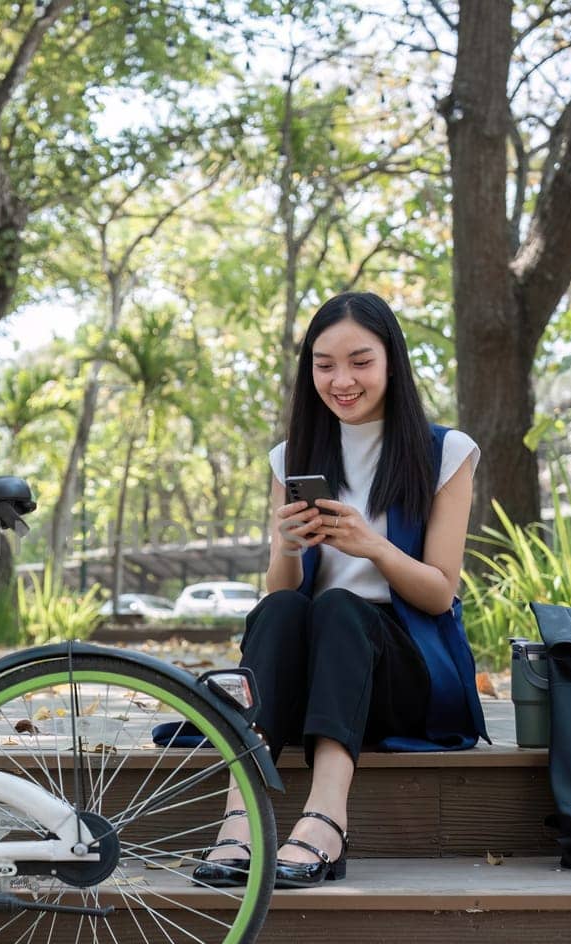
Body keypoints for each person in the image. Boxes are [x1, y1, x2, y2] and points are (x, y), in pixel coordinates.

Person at [195, 291, 488, 889]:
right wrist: (287, 546)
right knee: (279, 607)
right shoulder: (291, 457)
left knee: (341, 608)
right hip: (317, 676)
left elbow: (439, 594)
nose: (342, 380)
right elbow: (282, 593)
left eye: (360, 361)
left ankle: (327, 817)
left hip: (401, 672)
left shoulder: (444, 453)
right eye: (324, 365)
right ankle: (239, 816)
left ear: (391, 363)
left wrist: (372, 546)